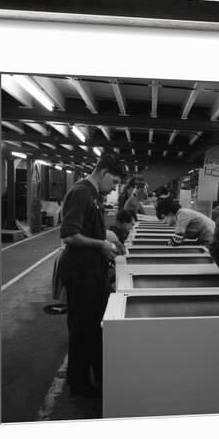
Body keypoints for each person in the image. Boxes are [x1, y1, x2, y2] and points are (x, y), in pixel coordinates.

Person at [60, 154, 127, 397]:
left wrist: (107, 237)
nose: (114, 188)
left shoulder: (92, 195)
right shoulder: (82, 192)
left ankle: (90, 377)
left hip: (91, 270)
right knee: (82, 328)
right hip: (80, 272)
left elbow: (88, 227)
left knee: (92, 327)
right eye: (115, 181)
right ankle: (78, 384)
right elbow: (69, 235)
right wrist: (100, 245)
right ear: (104, 173)